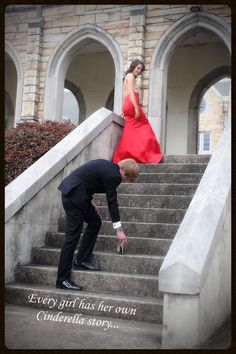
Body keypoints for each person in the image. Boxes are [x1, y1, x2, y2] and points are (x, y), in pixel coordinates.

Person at [56, 158, 139, 291]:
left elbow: (87, 179)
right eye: (127, 176)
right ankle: (62, 280)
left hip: (79, 194)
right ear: (122, 169)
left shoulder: (108, 167)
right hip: (73, 196)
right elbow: (112, 202)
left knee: (95, 222)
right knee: (72, 237)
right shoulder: (114, 175)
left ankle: (81, 260)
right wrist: (119, 230)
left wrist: (90, 201)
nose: (125, 180)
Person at [113, 59, 163, 164]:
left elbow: (125, 94)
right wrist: (136, 107)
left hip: (129, 104)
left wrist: (123, 109)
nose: (139, 71)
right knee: (145, 127)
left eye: (141, 69)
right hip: (132, 104)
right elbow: (131, 93)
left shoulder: (128, 77)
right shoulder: (130, 76)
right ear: (133, 66)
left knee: (131, 130)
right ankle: (146, 153)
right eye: (138, 68)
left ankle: (126, 154)